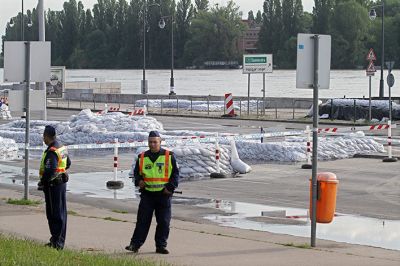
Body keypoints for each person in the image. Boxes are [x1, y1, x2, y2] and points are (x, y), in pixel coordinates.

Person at [126, 130, 179, 254]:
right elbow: (136, 174)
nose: (153, 144)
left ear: (160, 142)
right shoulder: (142, 157)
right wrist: (139, 181)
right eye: (150, 142)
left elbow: (175, 174)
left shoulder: (169, 156)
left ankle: (161, 246)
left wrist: (170, 188)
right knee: (142, 221)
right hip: (147, 195)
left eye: (155, 142)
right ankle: (135, 245)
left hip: (163, 195)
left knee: (164, 222)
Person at [38, 125, 71, 250]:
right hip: (61, 184)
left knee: (54, 214)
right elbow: (68, 163)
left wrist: (43, 181)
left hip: (53, 186)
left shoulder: (52, 151)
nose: (43, 138)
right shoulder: (61, 147)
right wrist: (61, 172)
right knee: (61, 213)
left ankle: (56, 243)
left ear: (47, 136)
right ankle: (57, 240)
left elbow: (50, 170)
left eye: (44, 136)